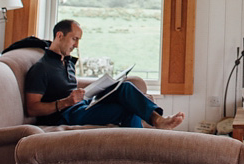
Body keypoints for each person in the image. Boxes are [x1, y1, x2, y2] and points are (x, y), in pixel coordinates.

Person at [24, 19, 184, 130]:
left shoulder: (66, 62)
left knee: (126, 87)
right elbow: (32, 108)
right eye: (74, 39)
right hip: (65, 115)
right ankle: (143, 149)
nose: (76, 45)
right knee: (127, 110)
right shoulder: (41, 68)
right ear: (59, 35)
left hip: (82, 105)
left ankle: (158, 120)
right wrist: (64, 103)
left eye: (78, 40)